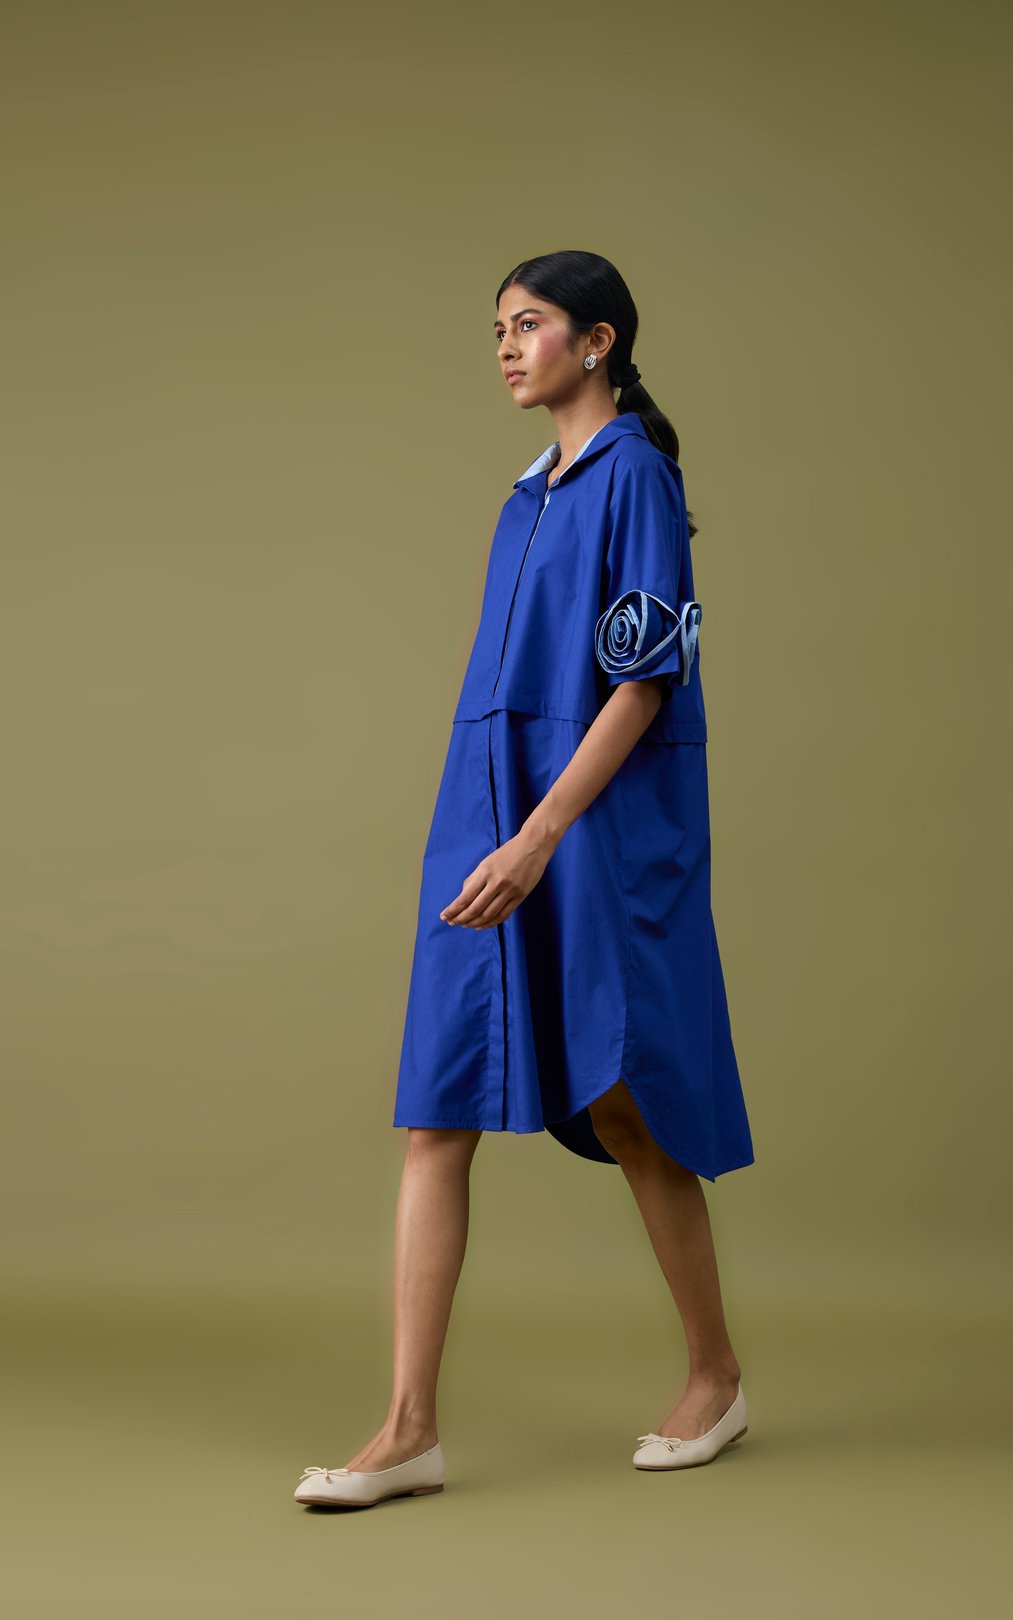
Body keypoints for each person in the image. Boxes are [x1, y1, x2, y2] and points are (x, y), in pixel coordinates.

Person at [294, 250, 755, 1510]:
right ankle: (408, 1430)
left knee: (625, 1102)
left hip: (592, 823)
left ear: (596, 341)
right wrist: (488, 823)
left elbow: (642, 683)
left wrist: (542, 833)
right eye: (496, 327)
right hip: (485, 809)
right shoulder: (523, 496)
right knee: (436, 1102)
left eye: (530, 323)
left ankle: (715, 1377)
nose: (506, 345)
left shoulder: (636, 477)